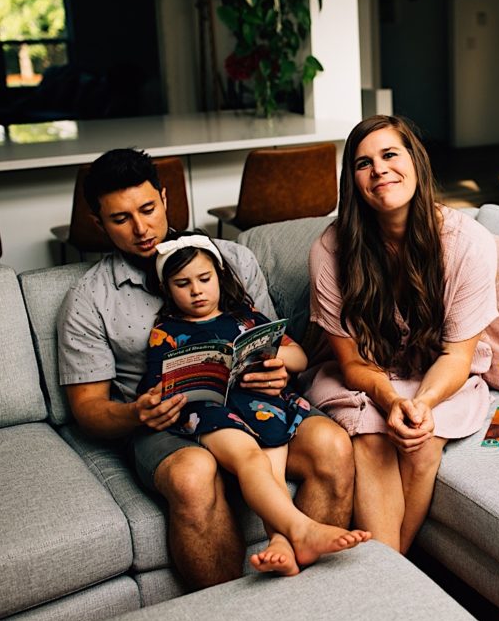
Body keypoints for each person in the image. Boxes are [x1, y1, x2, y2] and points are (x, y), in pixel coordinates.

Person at [57, 148, 355, 589]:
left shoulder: (231, 260)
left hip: (252, 400)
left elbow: (272, 342)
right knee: (193, 476)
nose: (141, 229)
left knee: (333, 443)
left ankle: (307, 597)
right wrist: (136, 412)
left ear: (164, 197)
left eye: (147, 209)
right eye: (120, 219)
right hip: (168, 423)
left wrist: (280, 370)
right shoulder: (89, 299)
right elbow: (89, 410)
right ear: (98, 224)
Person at [305, 115, 498, 553]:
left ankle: (391, 574)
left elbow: (456, 355)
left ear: (415, 161)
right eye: (363, 163)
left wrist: (423, 403)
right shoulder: (330, 250)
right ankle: (395, 583)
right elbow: (352, 361)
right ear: (352, 181)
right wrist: (391, 401)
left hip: (439, 375)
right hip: (365, 376)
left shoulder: (469, 242)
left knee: (423, 446)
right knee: (373, 441)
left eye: (390, 154)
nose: (379, 170)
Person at [137, 232, 370, 574]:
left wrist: (280, 362)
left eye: (204, 279)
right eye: (182, 283)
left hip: (263, 403)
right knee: (249, 456)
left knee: (273, 461)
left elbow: (299, 356)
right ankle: (301, 529)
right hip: (210, 412)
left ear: (219, 275)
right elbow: (158, 382)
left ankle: (279, 540)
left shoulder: (246, 318)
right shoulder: (166, 330)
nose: (196, 290)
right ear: (167, 289)